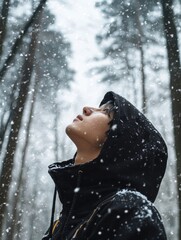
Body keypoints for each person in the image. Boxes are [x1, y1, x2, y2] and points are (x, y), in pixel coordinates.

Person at [42, 91, 168, 240]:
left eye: (105, 112)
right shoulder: (60, 224)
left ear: (122, 141)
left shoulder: (129, 210)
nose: (87, 109)